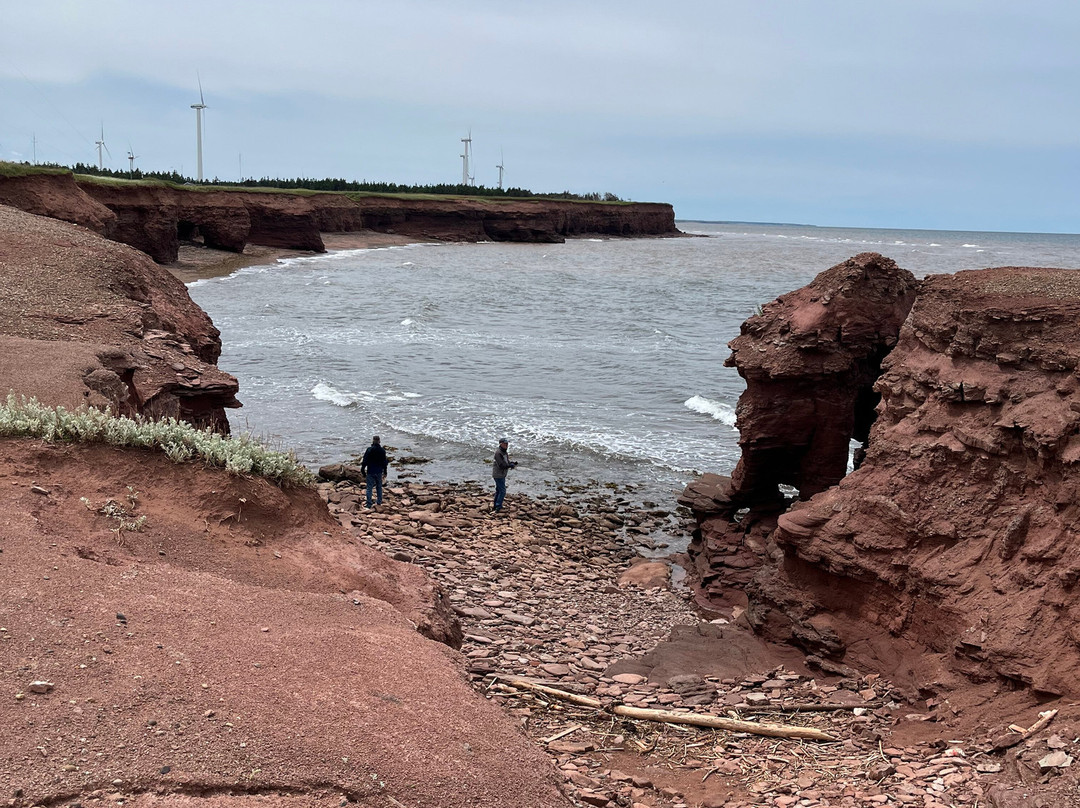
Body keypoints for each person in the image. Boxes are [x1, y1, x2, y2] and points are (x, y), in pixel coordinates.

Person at [360, 436, 388, 508]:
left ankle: (369, 504)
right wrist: (385, 471)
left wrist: (362, 469)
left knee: (369, 488)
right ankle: (379, 502)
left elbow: (365, 460)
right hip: (379, 471)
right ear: (379, 441)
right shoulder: (382, 451)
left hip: (370, 471)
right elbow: (385, 462)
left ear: (373, 441)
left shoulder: (369, 450)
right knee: (379, 487)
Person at [492, 438, 517, 512]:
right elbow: (501, 465)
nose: (506, 445)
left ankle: (496, 505)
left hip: (502, 474)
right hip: (498, 475)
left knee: (499, 490)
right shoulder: (498, 453)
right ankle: (498, 506)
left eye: (507, 444)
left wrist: (512, 463)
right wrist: (509, 466)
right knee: (502, 491)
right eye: (505, 444)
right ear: (501, 444)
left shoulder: (504, 452)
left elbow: (506, 462)